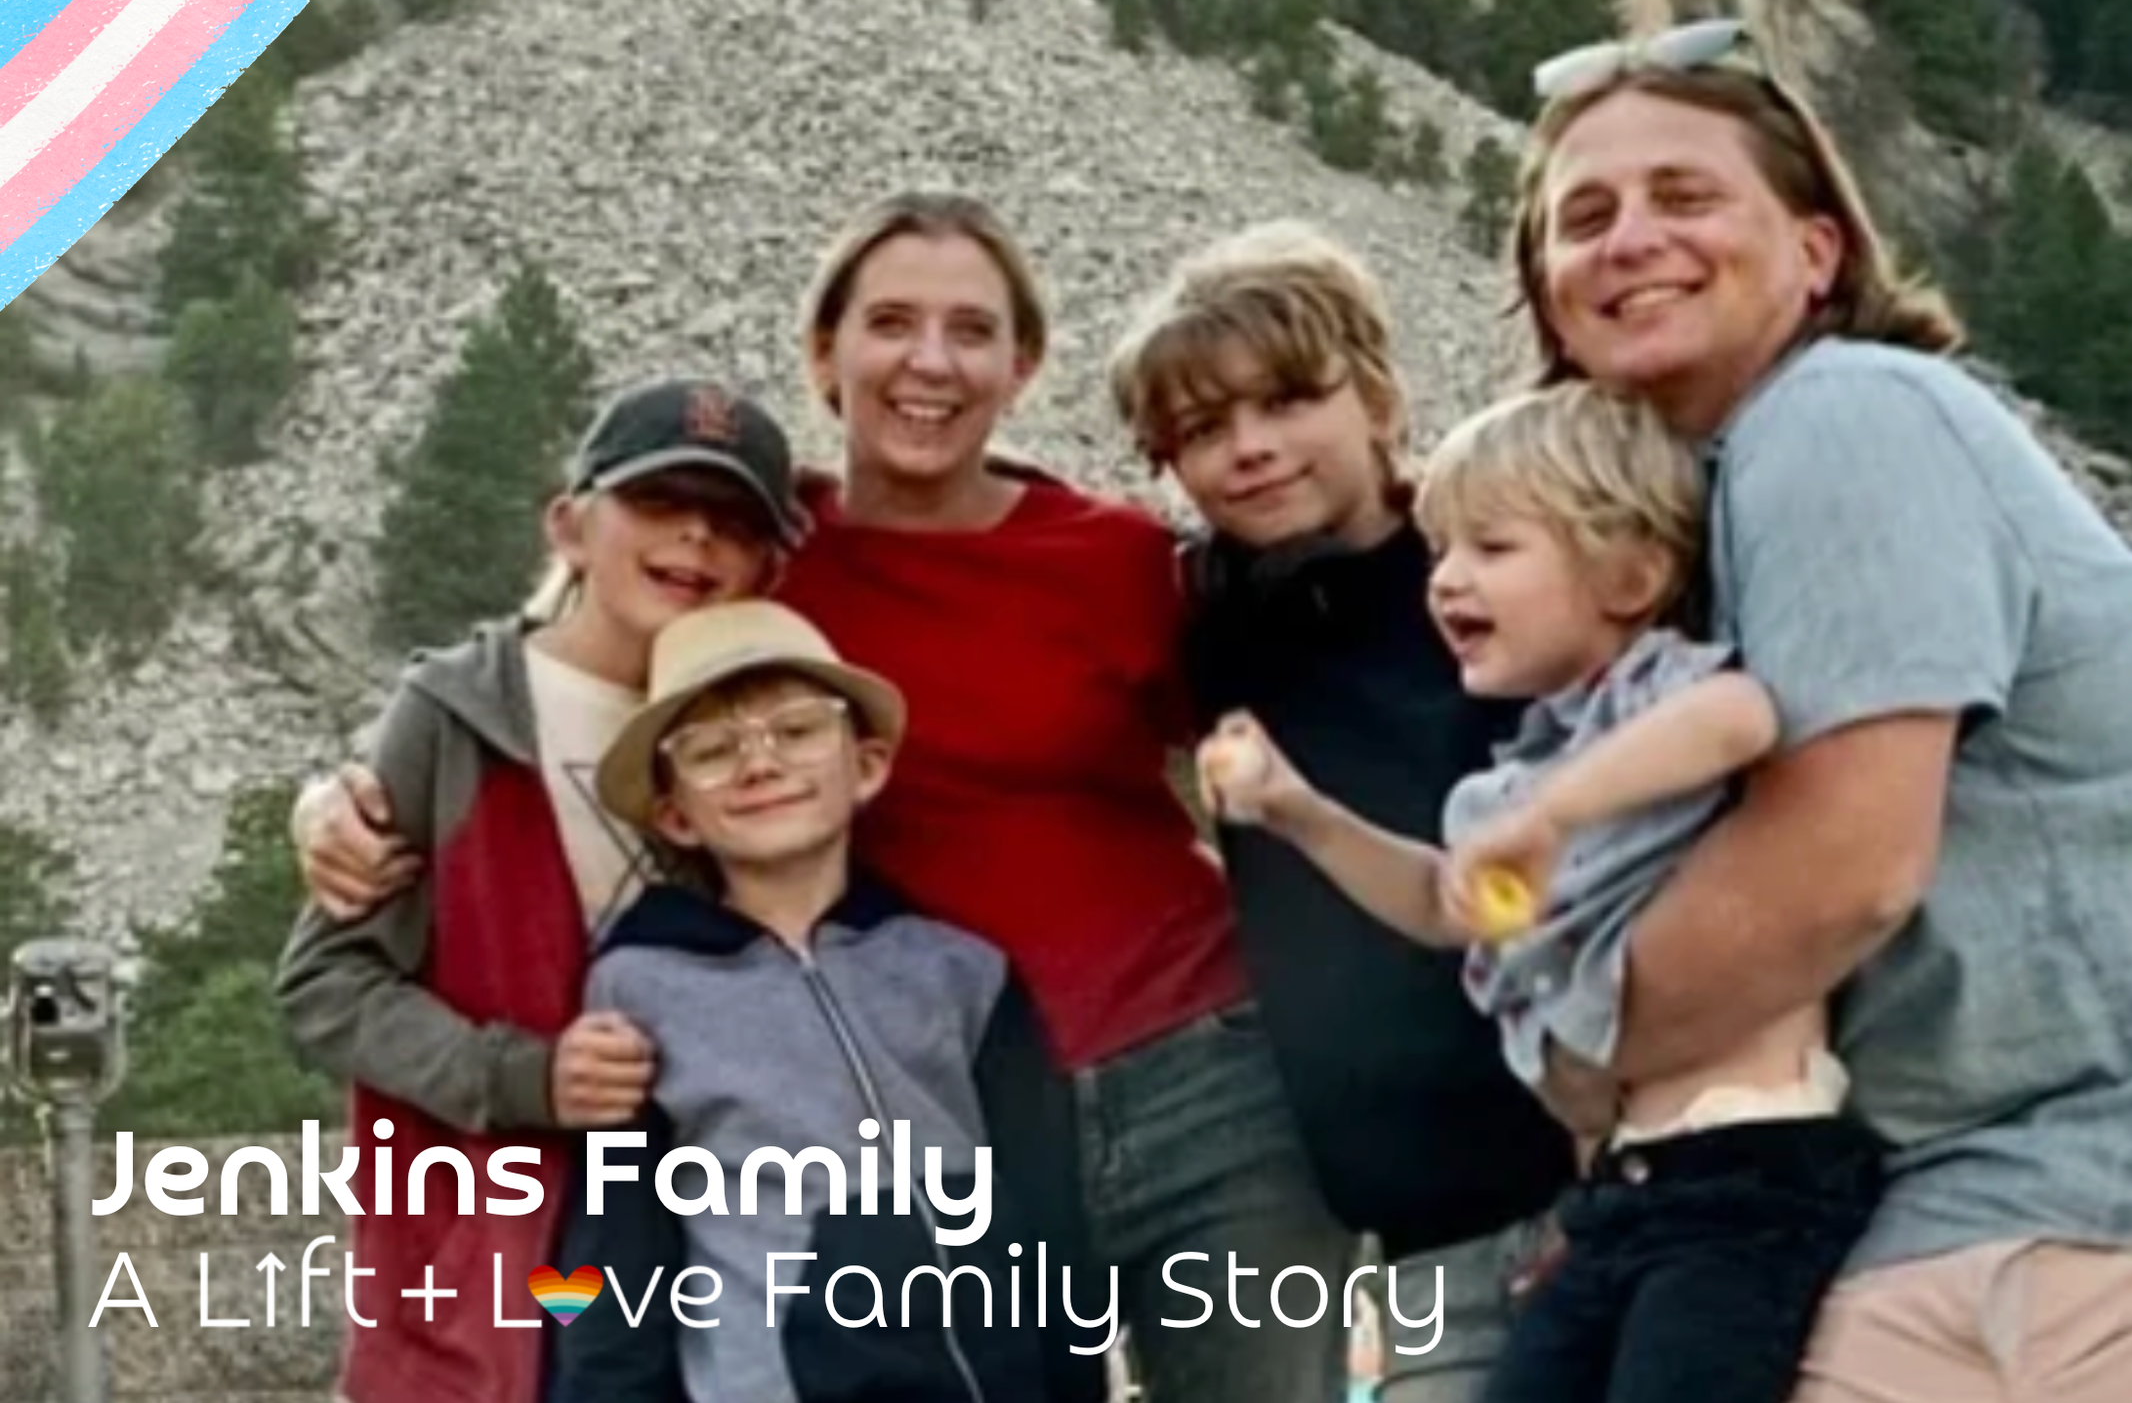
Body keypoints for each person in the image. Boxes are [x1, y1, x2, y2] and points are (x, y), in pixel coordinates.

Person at [292, 191, 1345, 1403]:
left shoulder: (1111, 557)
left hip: (1192, 1074)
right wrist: (338, 794)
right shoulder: (763, 563)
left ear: (1022, 365)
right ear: (823, 354)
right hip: (930, 1110)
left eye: (970, 328)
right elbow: (562, 654)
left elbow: (1280, 741)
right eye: (891, 321)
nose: (929, 361)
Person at [1507, 14, 2132, 1401]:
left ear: (1817, 251)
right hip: (2015, 1194)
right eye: (1584, 215)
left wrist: (1579, 1052)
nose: (1627, 239)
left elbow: (1839, 867)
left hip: (2102, 1198)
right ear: (1548, 291)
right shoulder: (1712, 509)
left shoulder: (1844, 418)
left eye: (1686, 197)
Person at [1198, 381, 1887, 1403]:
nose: (1447, 580)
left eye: (1492, 547)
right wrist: (1298, 809)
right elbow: (1446, 903)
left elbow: (1738, 716)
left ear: (1631, 572)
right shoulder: (1515, 775)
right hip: (1617, 1193)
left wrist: (1557, 814)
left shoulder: (1659, 697)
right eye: (1439, 552)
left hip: (1747, 1171)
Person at [1105, 222, 1574, 1402]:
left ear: (1375, 395)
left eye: (1286, 400)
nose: (1250, 449)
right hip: (1416, 1243)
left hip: (1576, 1184)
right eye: (1204, 430)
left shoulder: (1503, 582)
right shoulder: (1216, 618)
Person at [271, 379, 808, 1403]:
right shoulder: (457, 714)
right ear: (568, 523)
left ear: (768, 567)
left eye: (734, 519)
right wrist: (524, 1075)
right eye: (659, 500)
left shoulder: (776, 729)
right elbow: (325, 982)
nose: (696, 534)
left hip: (720, 1257)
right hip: (492, 1264)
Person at [550, 599, 1043, 1403]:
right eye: (711, 750)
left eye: (800, 730)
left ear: (869, 764)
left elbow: (1043, 1205)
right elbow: (620, 1241)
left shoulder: (962, 973)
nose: (760, 764)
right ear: (676, 814)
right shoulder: (638, 990)